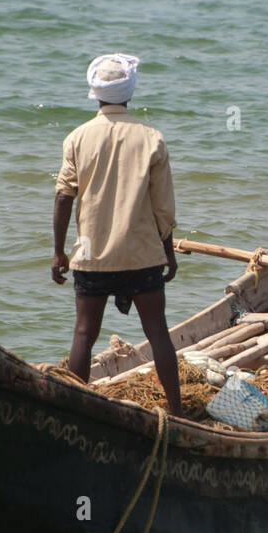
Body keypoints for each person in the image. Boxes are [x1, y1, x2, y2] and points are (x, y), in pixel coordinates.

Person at [50, 53, 183, 417]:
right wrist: (167, 253)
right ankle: (176, 412)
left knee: (83, 335)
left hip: (92, 256)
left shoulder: (77, 138)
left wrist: (59, 251)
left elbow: (64, 195)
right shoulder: (152, 138)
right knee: (158, 332)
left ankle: (73, 413)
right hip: (142, 253)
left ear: (95, 94)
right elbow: (162, 210)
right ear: (130, 92)